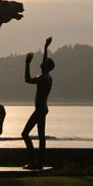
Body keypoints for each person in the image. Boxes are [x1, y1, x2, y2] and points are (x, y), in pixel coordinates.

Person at [21, 37, 55, 169]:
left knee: (25, 134)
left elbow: (27, 79)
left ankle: (34, 162)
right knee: (41, 136)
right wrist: (46, 47)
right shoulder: (47, 75)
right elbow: (45, 60)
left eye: (44, 62)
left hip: (40, 109)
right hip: (43, 108)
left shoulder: (42, 78)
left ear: (46, 66)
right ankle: (39, 162)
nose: (42, 62)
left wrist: (27, 63)